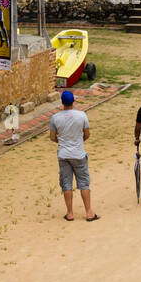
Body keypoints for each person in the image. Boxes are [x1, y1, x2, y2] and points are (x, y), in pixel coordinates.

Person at [49, 89, 98, 221]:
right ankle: (88, 212)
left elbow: (52, 137)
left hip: (64, 154)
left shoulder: (55, 118)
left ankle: (70, 213)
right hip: (79, 154)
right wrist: (78, 141)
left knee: (66, 184)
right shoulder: (82, 115)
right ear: (73, 101)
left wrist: (63, 142)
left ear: (62, 102)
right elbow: (87, 134)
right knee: (84, 183)